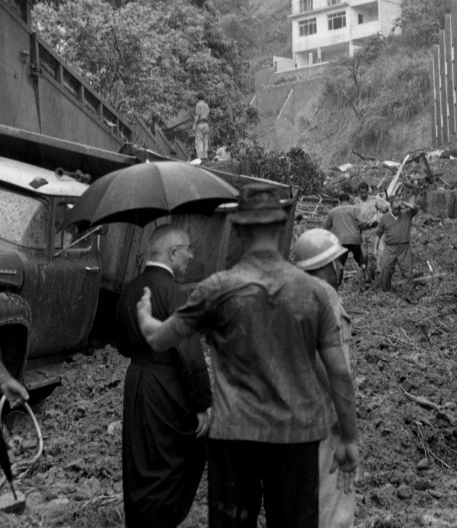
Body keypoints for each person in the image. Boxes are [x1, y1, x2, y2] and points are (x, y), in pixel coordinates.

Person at [136, 186, 359, 528]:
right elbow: (338, 373)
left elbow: (158, 337)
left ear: (239, 231)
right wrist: (348, 436)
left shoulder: (217, 289)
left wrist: (144, 315)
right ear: (280, 228)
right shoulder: (314, 292)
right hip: (296, 436)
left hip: (234, 439)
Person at [116, 226, 211, 528]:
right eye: (187, 249)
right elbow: (189, 352)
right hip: (168, 385)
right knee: (169, 461)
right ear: (172, 253)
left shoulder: (130, 289)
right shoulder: (173, 292)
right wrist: (202, 403)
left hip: (137, 380)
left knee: (140, 461)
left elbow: (120, 343)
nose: (191, 255)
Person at [293, 229, 356, 528]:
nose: (342, 266)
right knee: (332, 504)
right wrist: (344, 427)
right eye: (338, 261)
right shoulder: (326, 297)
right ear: (329, 263)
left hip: (292, 418)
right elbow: (336, 370)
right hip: (324, 418)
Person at [375, 195, 419, 294]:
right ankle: (386, 292)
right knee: (386, 269)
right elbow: (378, 234)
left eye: (398, 208)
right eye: (394, 208)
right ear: (390, 206)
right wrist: (375, 248)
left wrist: (404, 203)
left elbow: (416, 208)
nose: (396, 210)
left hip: (404, 248)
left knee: (408, 272)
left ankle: (408, 293)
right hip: (390, 248)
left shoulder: (406, 213)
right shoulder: (385, 218)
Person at [323, 195, 369, 284]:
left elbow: (325, 227)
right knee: (359, 256)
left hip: (340, 240)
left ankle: (338, 281)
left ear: (339, 200)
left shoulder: (333, 211)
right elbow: (363, 222)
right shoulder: (355, 209)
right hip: (355, 239)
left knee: (339, 261)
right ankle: (366, 273)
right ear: (348, 200)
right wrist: (357, 228)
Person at [193, 93, 210, 161]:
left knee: (199, 141)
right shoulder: (206, 105)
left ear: (198, 98)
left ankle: (200, 158)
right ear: (204, 98)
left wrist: (194, 125)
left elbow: (197, 115)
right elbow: (207, 115)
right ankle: (205, 156)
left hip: (200, 124)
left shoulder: (198, 105)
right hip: (206, 124)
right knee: (205, 140)